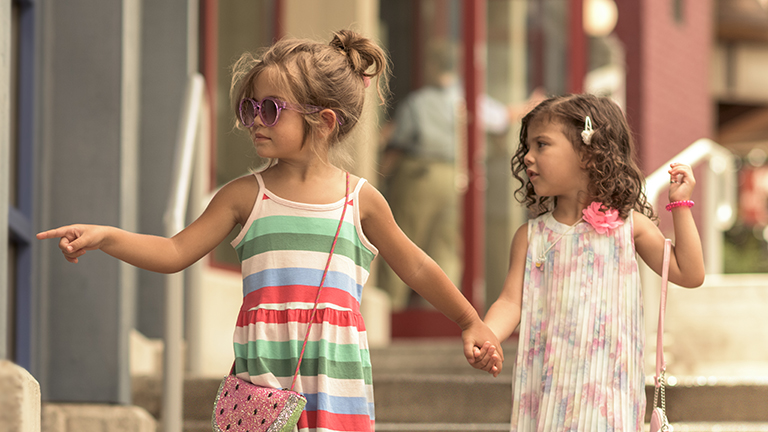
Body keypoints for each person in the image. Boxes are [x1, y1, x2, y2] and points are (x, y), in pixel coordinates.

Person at [37, 30, 502, 432]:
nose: (255, 119)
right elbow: (175, 250)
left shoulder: (360, 199)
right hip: (263, 380)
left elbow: (417, 266)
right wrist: (107, 237)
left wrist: (468, 321)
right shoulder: (244, 195)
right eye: (250, 106)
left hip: (336, 379)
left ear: (323, 122)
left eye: (272, 109)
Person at [471, 94, 705, 431]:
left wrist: (680, 206)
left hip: (609, 393)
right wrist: (488, 336)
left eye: (541, 145)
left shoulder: (629, 226)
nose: (528, 158)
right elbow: (510, 301)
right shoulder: (531, 236)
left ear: (588, 153)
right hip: (547, 390)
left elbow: (689, 273)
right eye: (527, 147)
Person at [380, 42, 541, 310]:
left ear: (431, 66)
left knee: (403, 243)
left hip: (422, 175)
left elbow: (398, 144)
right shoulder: (469, 99)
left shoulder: (419, 102)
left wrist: (382, 175)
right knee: (446, 248)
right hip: (457, 178)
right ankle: (442, 314)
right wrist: (529, 104)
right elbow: (501, 117)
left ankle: (392, 311)